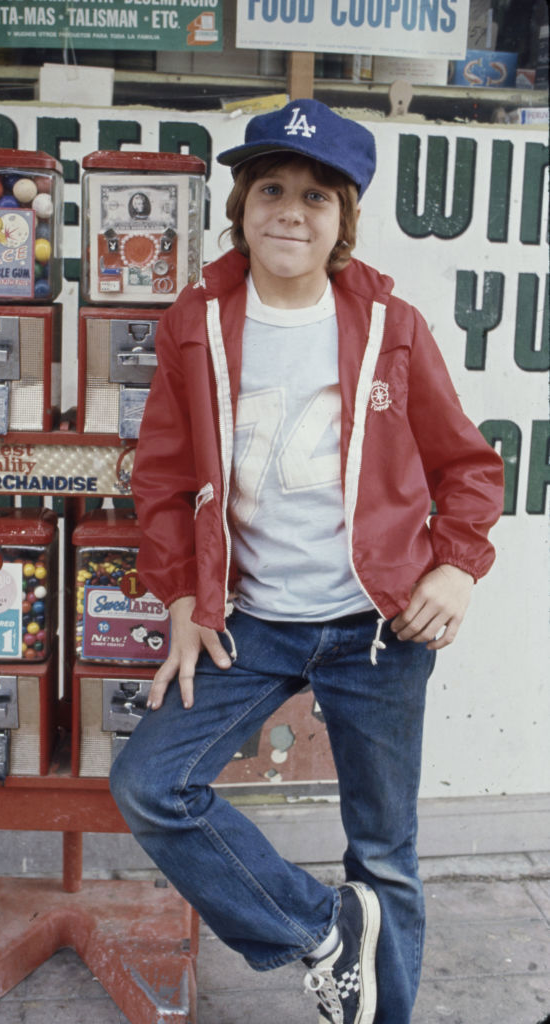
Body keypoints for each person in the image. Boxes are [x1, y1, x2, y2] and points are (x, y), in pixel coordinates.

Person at [109, 98, 504, 1024]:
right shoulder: (196, 322)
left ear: (344, 221)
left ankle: (377, 1010)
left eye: (317, 196)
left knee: (386, 850)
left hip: (379, 630)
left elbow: (468, 466)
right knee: (153, 784)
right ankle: (323, 932)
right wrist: (178, 599)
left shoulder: (389, 324)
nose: (291, 209)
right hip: (250, 622)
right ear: (243, 206)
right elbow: (162, 478)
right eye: (273, 189)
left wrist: (456, 566)